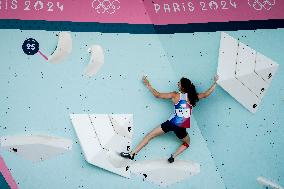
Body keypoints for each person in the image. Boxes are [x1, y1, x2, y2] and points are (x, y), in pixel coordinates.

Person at [120, 75, 219, 163]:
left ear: (182, 87)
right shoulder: (193, 96)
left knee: (149, 135)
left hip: (171, 123)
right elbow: (206, 94)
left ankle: (132, 154)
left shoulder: (175, 95)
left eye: (179, 83)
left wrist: (148, 84)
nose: (177, 84)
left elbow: (157, 95)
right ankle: (173, 157)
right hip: (181, 127)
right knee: (187, 143)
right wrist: (215, 82)